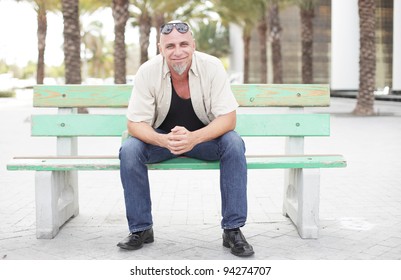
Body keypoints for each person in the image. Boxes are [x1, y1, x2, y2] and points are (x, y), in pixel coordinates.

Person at [117, 20, 254, 257]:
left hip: (205, 140)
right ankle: (141, 229)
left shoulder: (212, 67)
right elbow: (134, 123)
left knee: (233, 143)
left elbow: (228, 119)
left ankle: (232, 229)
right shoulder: (147, 71)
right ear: (161, 49)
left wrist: (193, 138)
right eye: (170, 46)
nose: (177, 51)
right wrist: (163, 141)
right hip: (163, 141)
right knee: (129, 150)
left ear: (194, 45)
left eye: (183, 44)